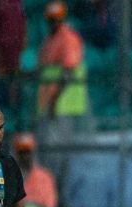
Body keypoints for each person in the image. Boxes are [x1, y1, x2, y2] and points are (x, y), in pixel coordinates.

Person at [36, 2, 88, 134]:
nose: (53, 22)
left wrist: (55, 100)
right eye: (51, 19)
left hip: (64, 104)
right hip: (48, 103)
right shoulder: (49, 39)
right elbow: (45, 69)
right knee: (49, 146)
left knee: (62, 147)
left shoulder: (68, 38)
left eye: (56, 19)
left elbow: (68, 72)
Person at [12, 133, 58, 207]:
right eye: (21, 152)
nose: (25, 156)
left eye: (28, 151)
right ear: (16, 154)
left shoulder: (45, 177)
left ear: (33, 153)